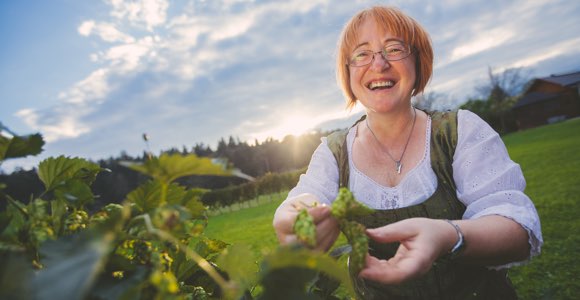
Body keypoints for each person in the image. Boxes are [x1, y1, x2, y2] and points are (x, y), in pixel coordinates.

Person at [272, 5, 542, 299]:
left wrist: (447, 236)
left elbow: (515, 230)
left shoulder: (460, 130)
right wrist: (296, 214)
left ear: (418, 61)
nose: (378, 64)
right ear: (347, 73)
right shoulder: (332, 152)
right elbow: (305, 197)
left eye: (394, 48)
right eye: (362, 54)